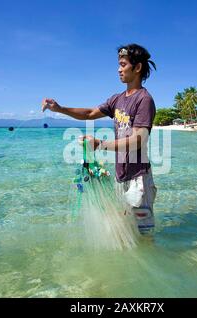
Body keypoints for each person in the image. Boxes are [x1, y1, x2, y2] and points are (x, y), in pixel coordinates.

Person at [42, 43, 157, 235]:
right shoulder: (117, 99)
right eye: (119, 64)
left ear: (137, 68)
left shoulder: (144, 99)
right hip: (120, 176)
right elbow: (89, 113)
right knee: (125, 229)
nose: (119, 69)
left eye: (123, 64)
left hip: (138, 178)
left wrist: (100, 144)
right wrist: (60, 108)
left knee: (144, 235)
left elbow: (139, 139)